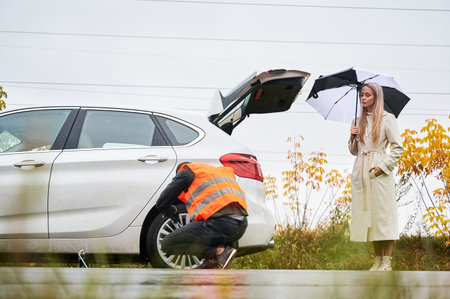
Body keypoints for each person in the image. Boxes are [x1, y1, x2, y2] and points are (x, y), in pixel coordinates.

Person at [348, 82, 403, 271]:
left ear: (376, 97)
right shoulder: (357, 121)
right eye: (362, 95)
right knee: (368, 217)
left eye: (367, 95)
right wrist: (352, 137)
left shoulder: (388, 119)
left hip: (379, 171)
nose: (363, 98)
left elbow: (398, 148)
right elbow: (354, 152)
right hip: (361, 172)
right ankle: (377, 260)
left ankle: (387, 261)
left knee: (383, 216)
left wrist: (383, 167)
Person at [155, 162, 248, 269]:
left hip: (222, 224)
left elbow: (161, 203)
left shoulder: (185, 173)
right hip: (241, 225)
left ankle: (218, 252)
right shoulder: (213, 173)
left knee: (166, 245)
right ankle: (215, 260)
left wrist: (173, 212)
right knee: (206, 236)